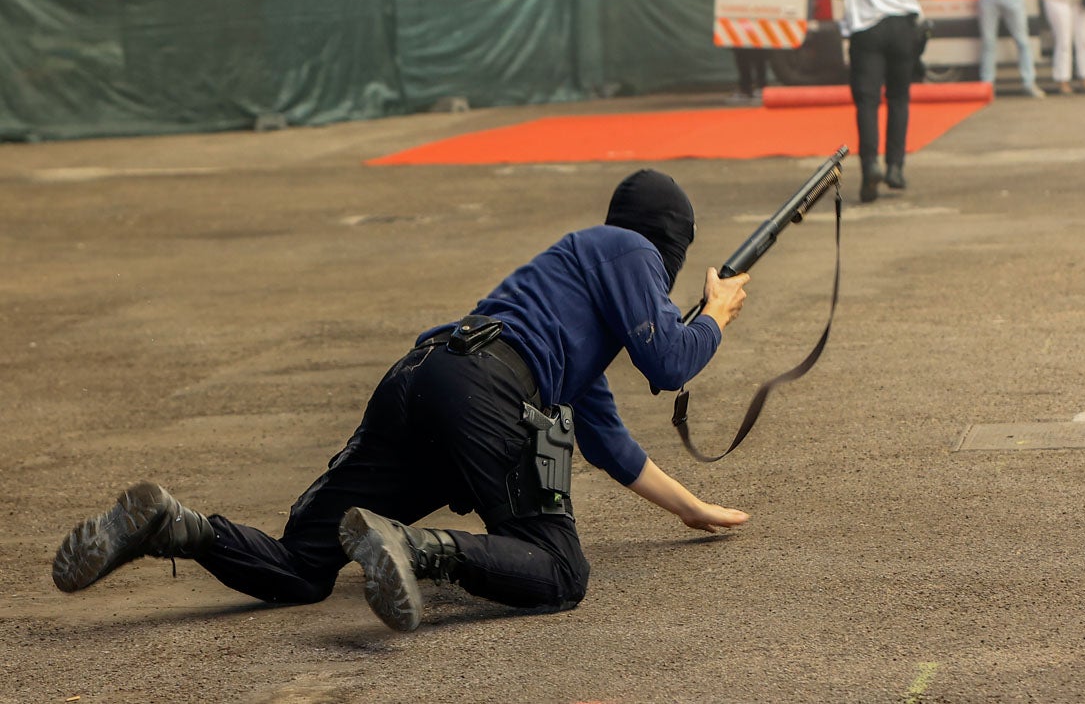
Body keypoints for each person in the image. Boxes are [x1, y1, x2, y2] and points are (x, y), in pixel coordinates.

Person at [51, 171, 752, 632]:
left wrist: (692, 508)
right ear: (669, 244)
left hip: (424, 378)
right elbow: (667, 362)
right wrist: (716, 313)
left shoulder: (566, 325)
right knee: (561, 571)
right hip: (484, 393)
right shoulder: (626, 247)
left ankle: (174, 527)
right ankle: (413, 547)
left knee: (302, 565)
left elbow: (609, 444)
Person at [816, 0, 940, 203]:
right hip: (903, 27)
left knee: (868, 102)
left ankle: (871, 165)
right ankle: (896, 168)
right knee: (899, 98)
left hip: (865, 30)